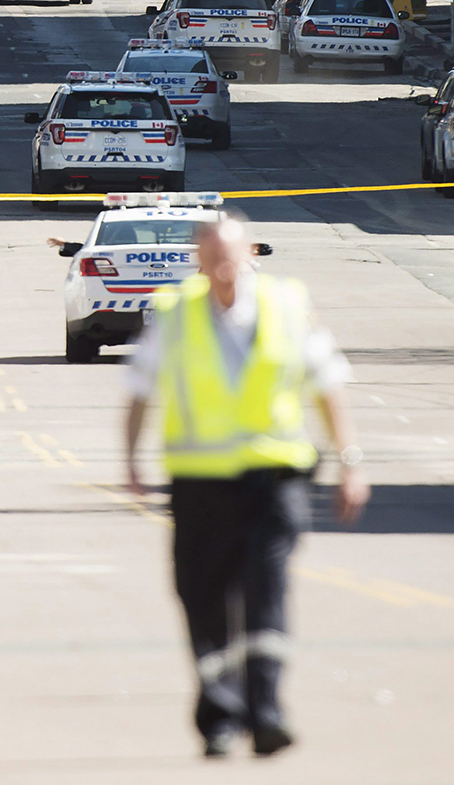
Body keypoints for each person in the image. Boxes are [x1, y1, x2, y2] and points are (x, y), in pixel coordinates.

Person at [123, 212, 367, 759]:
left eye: (230, 259)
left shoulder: (287, 305)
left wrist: (350, 462)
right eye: (211, 261)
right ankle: (219, 715)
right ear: (198, 262)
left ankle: (267, 711)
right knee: (203, 598)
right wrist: (131, 460)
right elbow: (139, 387)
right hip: (199, 482)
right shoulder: (175, 313)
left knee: (266, 591)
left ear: (251, 253)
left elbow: (327, 383)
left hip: (273, 479)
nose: (222, 270)